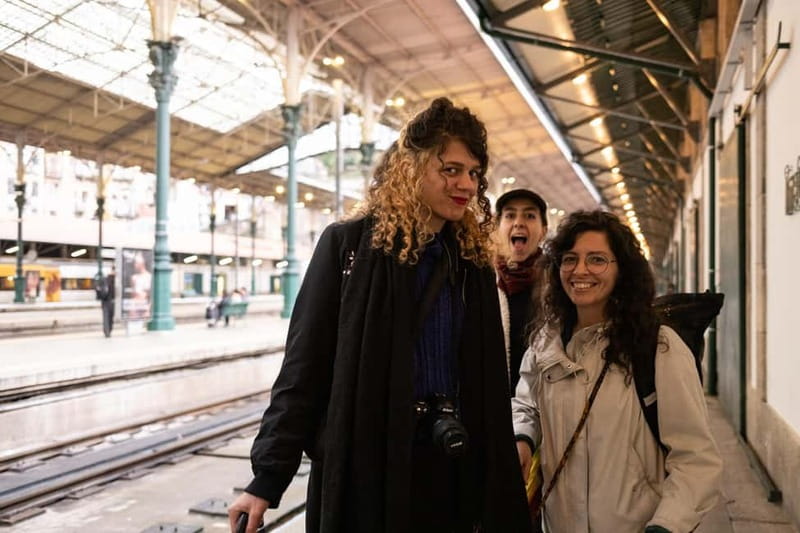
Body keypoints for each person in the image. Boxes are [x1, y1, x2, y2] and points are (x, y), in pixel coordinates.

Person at [228, 97, 530, 533]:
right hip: (368, 468)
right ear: (411, 168)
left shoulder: (471, 264)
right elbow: (302, 370)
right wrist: (266, 478)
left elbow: (488, 386)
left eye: (473, 173)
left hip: (450, 466)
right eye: (450, 169)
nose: (465, 184)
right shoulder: (347, 248)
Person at [512, 210, 722, 533]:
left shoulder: (658, 347)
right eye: (570, 259)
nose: (580, 270)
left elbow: (696, 459)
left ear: (621, 270)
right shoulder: (546, 343)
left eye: (597, 259)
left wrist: (666, 525)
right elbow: (527, 404)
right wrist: (523, 438)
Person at [494, 188, 548, 392]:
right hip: (494, 402)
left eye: (529, 215)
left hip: (542, 405)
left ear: (543, 230)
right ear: (497, 227)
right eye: (510, 215)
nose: (518, 222)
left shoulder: (558, 285)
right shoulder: (479, 281)